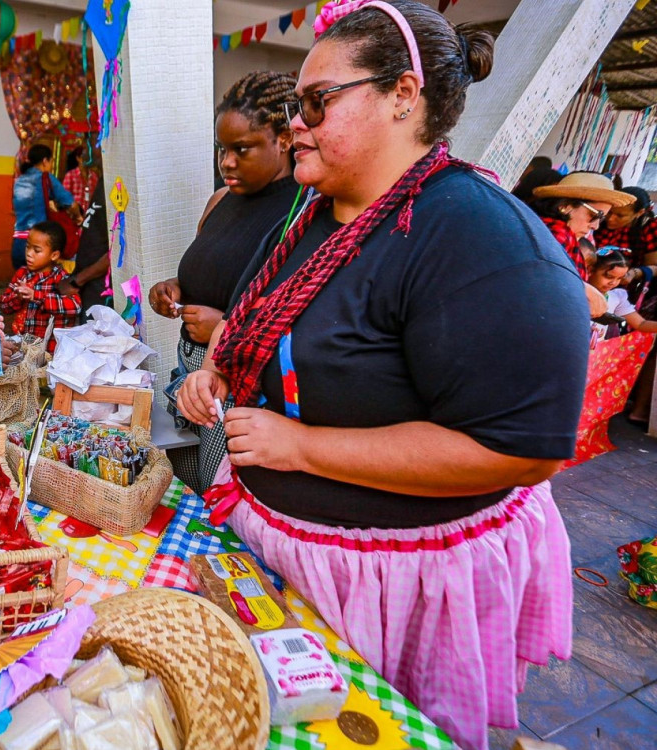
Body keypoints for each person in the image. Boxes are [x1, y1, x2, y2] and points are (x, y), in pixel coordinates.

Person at [178, 3, 589, 749]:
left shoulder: (480, 235)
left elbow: (525, 451)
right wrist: (219, 368)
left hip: (392, 586)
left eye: (315, 103)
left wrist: (299, 448)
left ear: (404, 95)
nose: (295, 122)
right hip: (289, 552)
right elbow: (273, 322)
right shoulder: (317, 213)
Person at [149, 70, 300, 493]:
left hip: (233, 382)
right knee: (181, 472)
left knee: (220, 493)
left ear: (285, 139)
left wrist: (223, 327)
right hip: (189, 366)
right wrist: (172, 287)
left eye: (242, 149)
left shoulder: (300, 214)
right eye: (221, 149)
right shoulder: (220, 201)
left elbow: (293, 314)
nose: (227, 163)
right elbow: (211, 270)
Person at [532, 171, 635, 279]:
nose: (595, 226)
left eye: (601, 218)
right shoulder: (558, 235)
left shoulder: (542, 227)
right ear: (564, 206)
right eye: (594, 215)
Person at [0, 220, 80, 344]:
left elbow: (75, 306)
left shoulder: (61, 278)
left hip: (52, 349)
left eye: (36, 250)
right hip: (25, 345)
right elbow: (4, 306)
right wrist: (18, 297)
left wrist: (36, 296)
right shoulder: (22, 274)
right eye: (27, 247)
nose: (29, 254)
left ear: (54, 255)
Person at [11, 144, 77, 269]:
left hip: (18, 242)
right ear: (45, 161)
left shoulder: (19, 180)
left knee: (22, 284)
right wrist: (78, 217)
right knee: (40, 285)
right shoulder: (45, 178)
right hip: (38, 243)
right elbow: (70, 203)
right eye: (51, 161)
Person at [58, 180, 112, 319]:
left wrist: (77, 280)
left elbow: (116, 253)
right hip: (88, 283)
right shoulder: (103, 180)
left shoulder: (115, 180)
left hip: (100, 287)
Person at [587, 248, 657, 339]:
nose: (613, 282)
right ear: (590, 270)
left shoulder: (617, 298)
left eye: (619, 278)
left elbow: (641, 324)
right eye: (609, 276)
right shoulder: (578, 292)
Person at [595, 186, 657, 266]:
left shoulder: (650, 227)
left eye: (620, 216)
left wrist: (635, 273)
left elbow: (653, 266)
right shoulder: (599, 220)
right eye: (610, 212)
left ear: (639, 213)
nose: (610, 219)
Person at [61, 145, 99, 214]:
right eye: (83, 157)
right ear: (78, 158)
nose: (86, 160)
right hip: (74, 214)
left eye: (88, 157)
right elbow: (64, 198)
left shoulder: (94, 176)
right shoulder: (70, 175)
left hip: (89, 214)